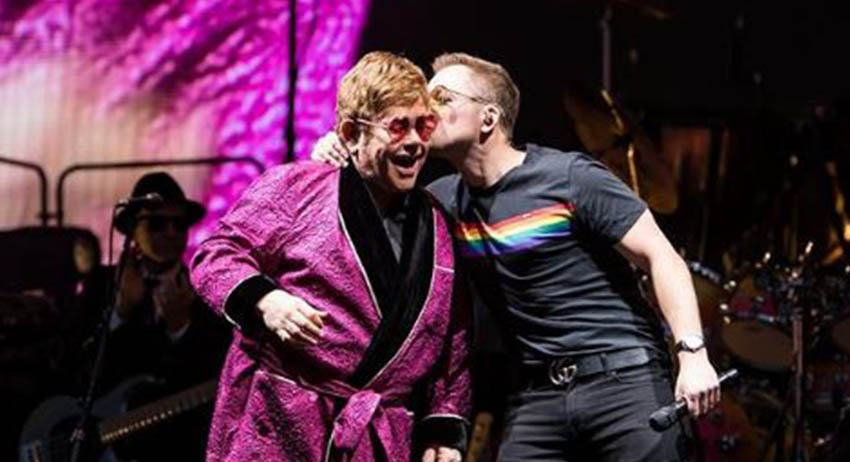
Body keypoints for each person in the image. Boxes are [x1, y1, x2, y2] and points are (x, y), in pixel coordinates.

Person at [313, 52, 721, 461]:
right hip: (537, 394)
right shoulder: (442, 202)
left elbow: (663, 258)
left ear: (488, 118)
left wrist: (693, 354)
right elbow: (364, 217)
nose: (427, 110)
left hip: (623, 379)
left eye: (442, 98)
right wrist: (342, 154)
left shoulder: (569, 177)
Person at [190, 51, 471, 462]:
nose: (414, 142)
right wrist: (265, 301)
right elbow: (216, 255)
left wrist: (442, 430)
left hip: (379, 440)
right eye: (398, 127)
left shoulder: (438, 225)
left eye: (423, 126)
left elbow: (453, 340)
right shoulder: (297, 187)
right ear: (351, 133)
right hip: (279, 421)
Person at [101, 171, 232, 460]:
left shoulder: (205, 288)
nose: (171, 233)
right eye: (157, 224)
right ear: (133, 230)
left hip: (176, 445)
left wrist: (179, 328)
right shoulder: (102, 284)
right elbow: (80, 371)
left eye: (179, 224)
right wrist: (121, 312)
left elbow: (212, 380)